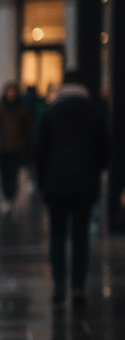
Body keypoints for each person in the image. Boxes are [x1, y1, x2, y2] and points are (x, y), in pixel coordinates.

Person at [33, 70, 109, 305]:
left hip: (56, 184)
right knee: (80, 235)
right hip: (85, 184)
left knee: (57, 236)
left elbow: (38, 150)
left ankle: (58, 285)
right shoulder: (95, 113)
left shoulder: (51, 113)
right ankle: (77, 286)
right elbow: (105, 152)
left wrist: (43, 181)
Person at [0, 82, 32, 208]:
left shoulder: (23, 109)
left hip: (17, 148)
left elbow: (28, 128)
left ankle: (12, 197)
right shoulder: (1, 109)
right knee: (5, 175)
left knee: (13, 174)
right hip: (3, 148)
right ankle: (7, 197)